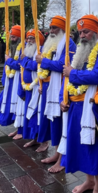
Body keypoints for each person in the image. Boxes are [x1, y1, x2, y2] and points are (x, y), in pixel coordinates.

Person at [58, 15, 98, 193]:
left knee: (96, 148)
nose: (82, 35)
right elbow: (66, 80)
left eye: (86, 31)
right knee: (82, 146)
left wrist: (72, 73)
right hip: (75, 107)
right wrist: (63, 98)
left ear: (96, 32)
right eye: (80, 32)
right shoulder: (80, 51)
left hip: (94, 108)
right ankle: (88, 181)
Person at [34, 16, 76, 173]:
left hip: (62, 89)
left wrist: (43, 61)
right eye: (50, 28)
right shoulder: (51, 43)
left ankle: (62, 159)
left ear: (63, 30)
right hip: (51, 89)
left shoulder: (68, 43)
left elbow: (64, 66)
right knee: (55, 123)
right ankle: (57, 154)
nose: (51, 31)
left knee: (62, 123)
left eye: (55, 28)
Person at [0, 25, 23, 133]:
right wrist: (4, 78)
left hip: (18, 82)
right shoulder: (12, 47)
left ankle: (20, 129)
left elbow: (20, 65)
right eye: (11, 37)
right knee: (3, 104)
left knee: (17, 105)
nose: (12, 39)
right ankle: (17, 127)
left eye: (14, 37)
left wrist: (9, 60)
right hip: (10, 82)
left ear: (20, 37)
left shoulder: (23, 48)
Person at [18, 29, 45, 148]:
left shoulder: (41, 50)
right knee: (29, 115)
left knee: (37, 116)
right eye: (27, 38)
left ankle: (43, 142)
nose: (29, 41)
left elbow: (35, 66)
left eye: (32, 38)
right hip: (29, 89)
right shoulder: (26, 51)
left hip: (38, 88)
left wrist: (24, 60)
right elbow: (21, 64)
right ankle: (34, 138)